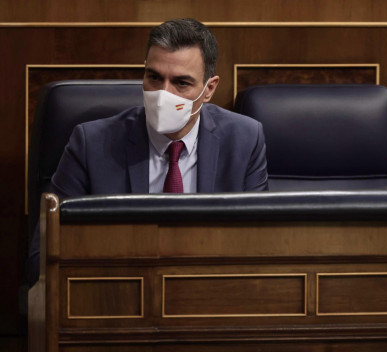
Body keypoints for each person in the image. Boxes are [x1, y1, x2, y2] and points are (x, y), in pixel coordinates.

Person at [27, 18, 268, 286]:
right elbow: (43, 256)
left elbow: (258, 250)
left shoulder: (244, 140)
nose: (163, 94)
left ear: (209, 89)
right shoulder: (91, 143)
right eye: (154, 78)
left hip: (208, 295)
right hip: (119, 295)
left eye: (181, 83)